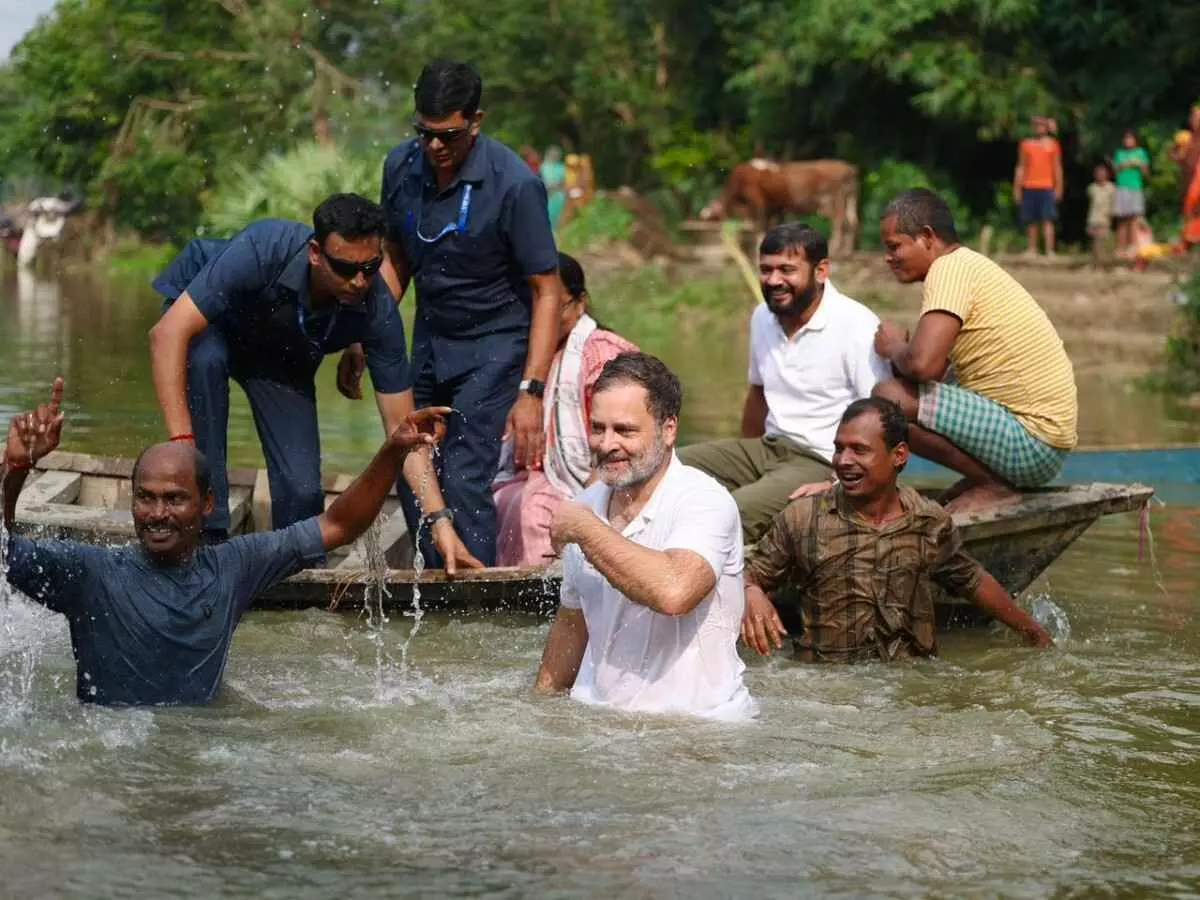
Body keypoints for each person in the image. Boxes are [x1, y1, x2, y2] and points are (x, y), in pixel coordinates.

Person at [2, 378, 453, 706]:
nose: (158, 514)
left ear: (207, 504)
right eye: (146, 498)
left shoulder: (235, 566)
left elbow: (338, 525)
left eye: (175, 499)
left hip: (198, 748)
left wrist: (393, 451)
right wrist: (15, 469)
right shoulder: (90, 574)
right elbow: (4, 552)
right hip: (110, 746)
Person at [148, 193, 477, 572]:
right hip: (210, 328)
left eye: (370, 268)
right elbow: (167, 334)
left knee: (303, 493)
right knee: (206, 362)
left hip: (280, 353)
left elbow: (404, 431)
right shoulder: (262, 248)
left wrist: (439, 520)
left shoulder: (377, 309)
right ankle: (208, 534)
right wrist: (183, 449)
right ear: (316, 253)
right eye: (344, 268)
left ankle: (293, 574)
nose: (358, 282)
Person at [346, 59, 561, 568]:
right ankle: (431, 584)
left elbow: (546, 289)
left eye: (448, 135)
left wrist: (531, 390)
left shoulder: (514, 184)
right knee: (410, 455)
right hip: (429, 338)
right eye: (424, 133)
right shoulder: (401, 167)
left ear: (476, 122)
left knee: (465, 473)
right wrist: (361, 334)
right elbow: (395, 257)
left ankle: (472, 604)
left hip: (495, 343)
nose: (434, 147)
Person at [740, 398, 1054, 661]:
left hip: (908, 680)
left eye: (859, 450)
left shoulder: (927, 521)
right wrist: (751, 593)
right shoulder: (804, 517)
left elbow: (970, 579)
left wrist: (1031, 630)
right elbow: (747, 574)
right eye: (839, 448)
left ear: (899, 455)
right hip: (828, 688)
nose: (843, 460)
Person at [534, 353, 756, 720]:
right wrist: (538, 712)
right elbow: (571, 627)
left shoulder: (704, 501)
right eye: (598, 428)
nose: (606, 444)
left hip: (699, 727)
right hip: (597, 720)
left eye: (625, 430)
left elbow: (675, 592)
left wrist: (586, 529)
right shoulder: (585, 506)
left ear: (669, 430)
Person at [678, 223, 890, 544]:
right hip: (768, 448)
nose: (774, 280)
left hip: (821, 459)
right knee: (665, 468)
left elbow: (883, 418)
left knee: (732, 513)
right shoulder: (762, 316)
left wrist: (838, 484)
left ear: (821, 271)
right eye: (765, 270)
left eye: (787, 270)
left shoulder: (856, 325)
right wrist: (743, 465)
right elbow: (757, 395)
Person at [873, 189, 1078, 511]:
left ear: (927, 237)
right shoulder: (967, 266)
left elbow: (923, 366)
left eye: (894, 246)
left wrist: (894, 346)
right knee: (904, 403)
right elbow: (935, 375)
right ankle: (986, 479)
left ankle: (991, 485)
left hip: (1033, 444)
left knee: (888, 399)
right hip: (1042, 446)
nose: (888, 257)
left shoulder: (950, 269)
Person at [491, 252, 638, 566]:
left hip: (595, 478)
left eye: (551, 306)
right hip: (539, 476)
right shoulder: (524, 356)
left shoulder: (602, 353)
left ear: (580, 302)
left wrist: (596, 496)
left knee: (532, 509)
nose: (539, 317)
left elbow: (624, 436)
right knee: (496, 501)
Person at [1014, 116, 1064, 256]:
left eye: (1041, 126)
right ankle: (1032, 248)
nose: (1038, 128)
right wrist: (1017, 187)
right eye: (1036, 126)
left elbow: (1057, 167)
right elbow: (1021, 166)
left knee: (1048, 219)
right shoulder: (1026, 144)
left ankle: (1049, 250)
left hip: (1047, 186)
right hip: (1029, 185)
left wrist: (1059, 187)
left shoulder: (1053, 145)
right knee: (1031, 220)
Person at [1112, 130, 1151, 257]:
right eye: (1126, 138)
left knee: (1134, 219)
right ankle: (1120, 248)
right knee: (1122, 220)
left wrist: (1139, 164)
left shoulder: (1140, 153)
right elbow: (1115, 171)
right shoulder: (1119, 153)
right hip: (1122, 187)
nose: (1128, 141)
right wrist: (1124, 164)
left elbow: (1146, 173)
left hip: (1135, 187)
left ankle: (1133, 247)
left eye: (1131, 138)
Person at [1086, 162, 1115, 266]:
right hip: (1093, 217)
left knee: (1102, 240)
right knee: (1094, 241)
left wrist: (1111, 216)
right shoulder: (1092, 188)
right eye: (1098, 173)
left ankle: (1103, 262)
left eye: (1102, 173)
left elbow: (1112, 204)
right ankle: (1095, 262)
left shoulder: (1111, 188)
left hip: (1105, 217)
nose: (1100, 176)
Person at [540, 146, 567, 231]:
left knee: (559, 215)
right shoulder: (543, 166)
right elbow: (540, 179)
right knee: (547, 215)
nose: (554, 155)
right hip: (547, 193)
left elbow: (564, 181)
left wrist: (556, 185)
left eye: (556, 154)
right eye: (552, 154)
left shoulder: (562, 167)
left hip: (559, 194)